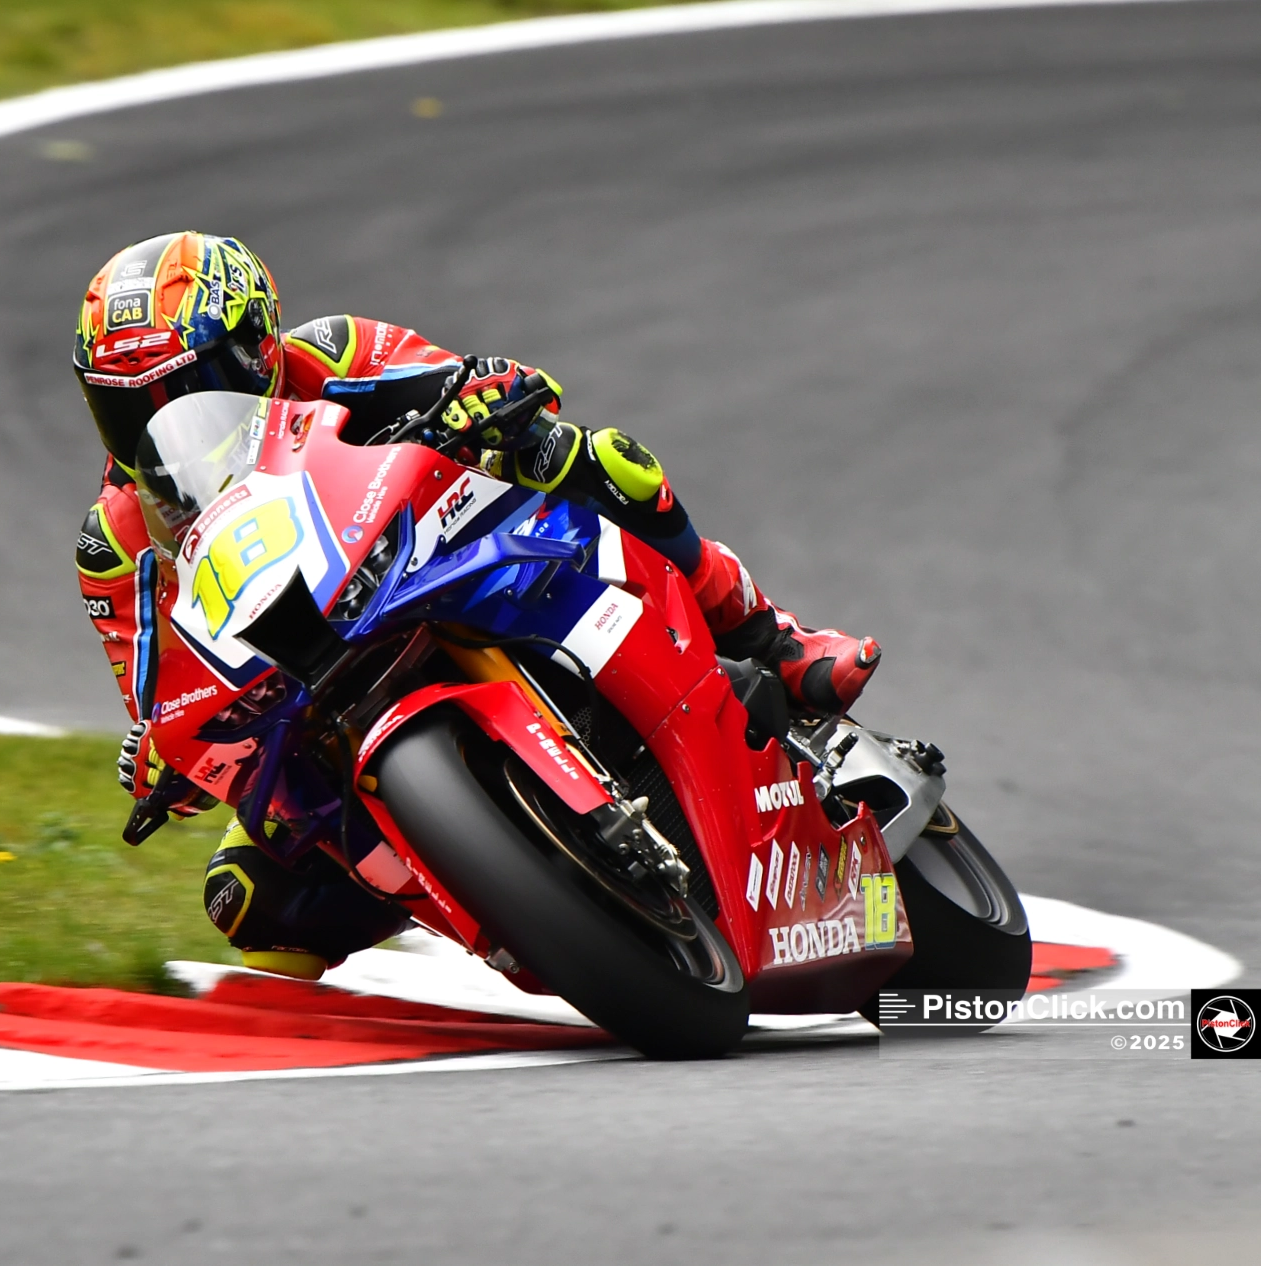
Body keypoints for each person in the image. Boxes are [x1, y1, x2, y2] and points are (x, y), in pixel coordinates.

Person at [73, 231, 879, 980]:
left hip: (434, 553)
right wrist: (162, 758)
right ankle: (487, 904)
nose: (160, 422)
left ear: (257, 347)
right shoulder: (113, 542)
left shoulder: (332, 353)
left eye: (187, 388)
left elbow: (469, 381)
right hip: (305, 690)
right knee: (246, 895)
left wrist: (485, 394)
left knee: (595, 458)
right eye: (127, 406)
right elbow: (158, 692)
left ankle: (773, 639)